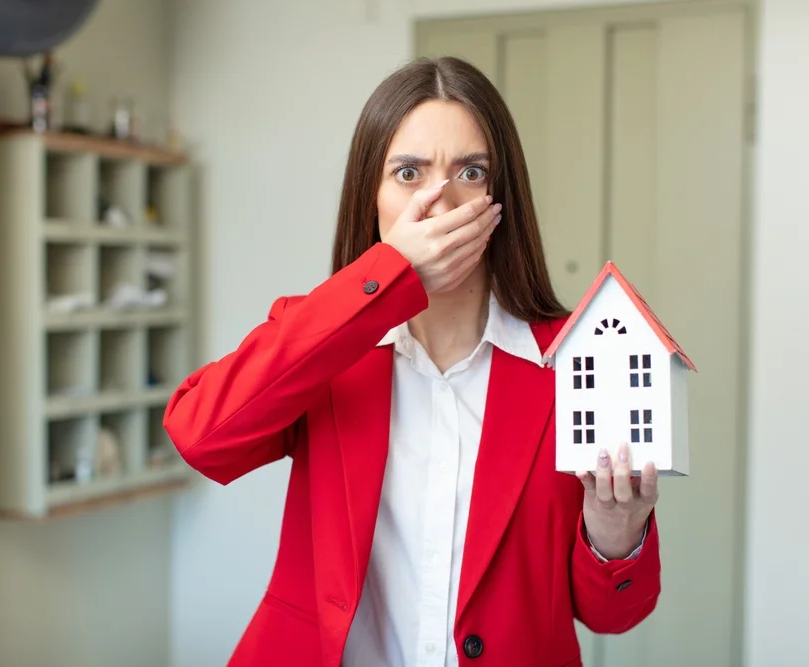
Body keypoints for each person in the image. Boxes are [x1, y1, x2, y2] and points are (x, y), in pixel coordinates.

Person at [163, 56, 661, 667]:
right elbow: (199, 436)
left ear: (500, 200)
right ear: (370, 199)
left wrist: (617, 534)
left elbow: (614, 615)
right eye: (408, 173)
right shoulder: (324, 345)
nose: (438, 203)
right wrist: (382, 279)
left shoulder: (574, 363)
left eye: (470, 172)